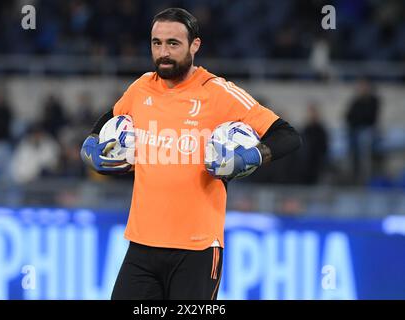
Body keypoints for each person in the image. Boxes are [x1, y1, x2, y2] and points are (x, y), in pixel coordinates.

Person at [80, 8, 301, 300]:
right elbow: (108, 118)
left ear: (195, 45)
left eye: (173, 43)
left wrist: (252, 156)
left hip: (196, 250)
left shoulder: (218, 93)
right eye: (156, 43)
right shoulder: (141, 88)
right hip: (142, 246)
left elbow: (287, 135)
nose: (163, 52)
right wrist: (91, 145)